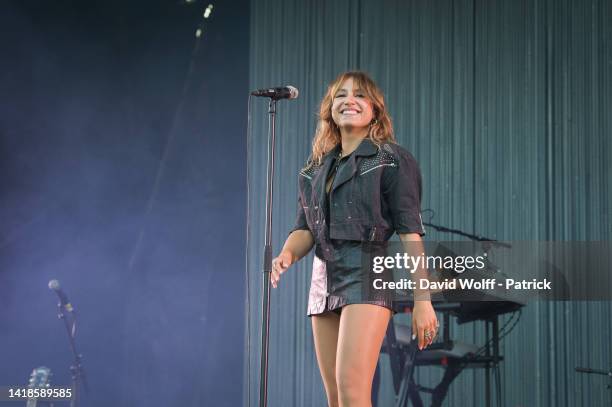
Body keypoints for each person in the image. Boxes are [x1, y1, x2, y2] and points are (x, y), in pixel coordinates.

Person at [271, 71, 438, 407]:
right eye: (340, 95)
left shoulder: (391, 159)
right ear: (329, 109)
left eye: (360, 95)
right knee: (335, 396)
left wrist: (423, 299)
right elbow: (305, 228)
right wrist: (287, 254)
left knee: (352, 389)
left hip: (367, 271)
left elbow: (410, 232)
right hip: (323, 278)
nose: (349, 100)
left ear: (374, 110)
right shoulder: (314, 168)